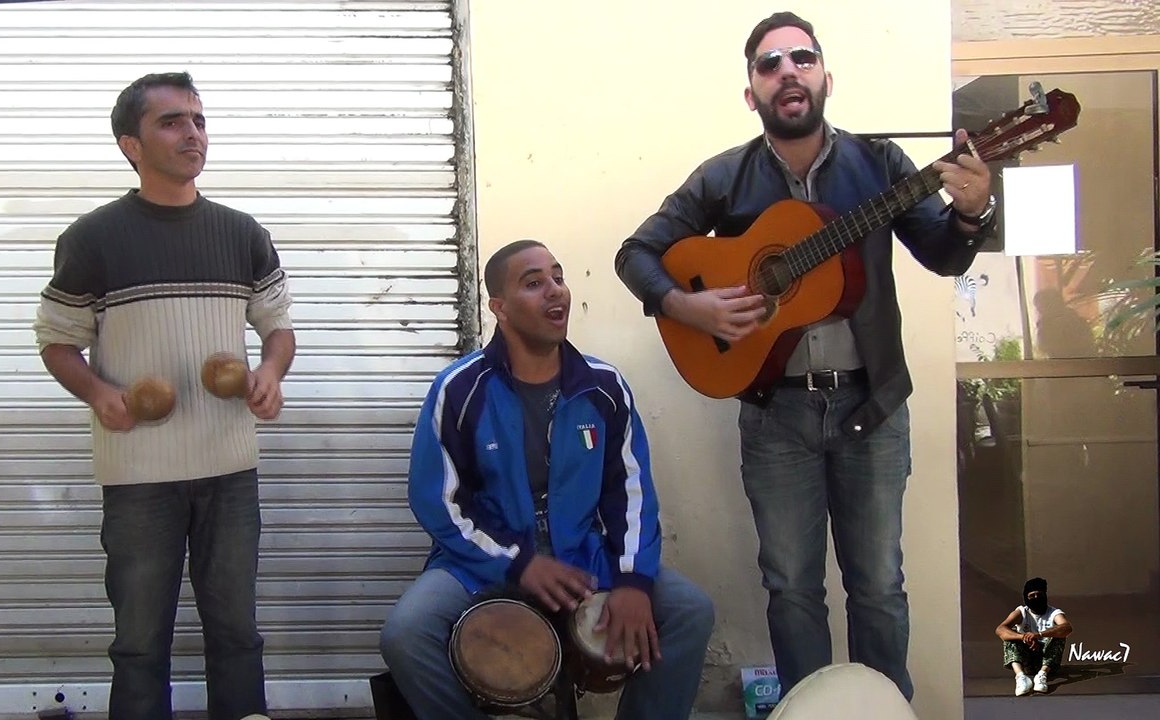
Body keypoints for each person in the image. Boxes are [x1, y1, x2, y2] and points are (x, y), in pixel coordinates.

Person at [614, 11, 997, 700]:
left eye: (801, 57)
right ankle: (809, 713)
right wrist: (686, 305)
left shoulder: (880, 165)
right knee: (791, 588)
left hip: (871, 405)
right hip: (774, 413)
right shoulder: (725, 179)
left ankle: (882, 713)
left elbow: (942, 253)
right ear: (752, 93)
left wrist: (972, 214)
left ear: (824, 76)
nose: (786, 70)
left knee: (878, 585)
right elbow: (636, 254)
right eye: (768, 64)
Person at [33, 71, 294, 720]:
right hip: (139, 475)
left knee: (236, 635)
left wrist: (269, 374)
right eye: (172, 122)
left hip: (229, 468)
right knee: (139, 643)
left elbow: (278, 330)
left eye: (199, 120)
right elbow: (58, 341)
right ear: (131, 144)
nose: (193, 134)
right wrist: (99, 392)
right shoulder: (94, 238)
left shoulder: (243, 233)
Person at [380, 240, 715, 720]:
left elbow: (631, 493)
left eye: (558, 277)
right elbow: (438, 500)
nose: (555, 291)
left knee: (689, 611)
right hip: (481, 561)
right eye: (533, 283)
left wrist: (634, 580)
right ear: (499, 308)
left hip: (582, 552)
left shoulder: (604, 387)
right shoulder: (458, 389)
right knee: (406, 634)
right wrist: (517, 563)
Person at [995, 577, 1073, 696]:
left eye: (1039, 594)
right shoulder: (1021, 612)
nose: (1036, 598)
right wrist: (1024, 637)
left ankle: (1041, 676)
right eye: (1032, 595)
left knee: (1058, 634)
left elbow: (1067, 627)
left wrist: (1039, 635)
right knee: (1009, 636)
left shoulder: (1054, 613)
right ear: (1026, 597)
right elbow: (1000, 629)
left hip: (1047, 662)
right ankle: (1021, 677)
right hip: (1027, 660)